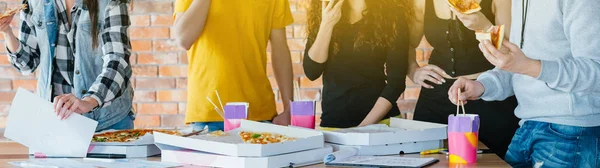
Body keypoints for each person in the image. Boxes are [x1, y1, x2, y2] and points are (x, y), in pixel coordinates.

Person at [448, 0, 600, 167]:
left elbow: (595, 70)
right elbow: (518, 65)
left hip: (571, 131)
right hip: (527, 126)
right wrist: (481, 86)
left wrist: (529, 66)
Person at [407, 0, 518, 158]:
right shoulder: (421, 2)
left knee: (493, 160)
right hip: (435, 96)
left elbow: (510, 51)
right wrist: (413, 70)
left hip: (488, 94)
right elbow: (408, 44)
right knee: (423, 157)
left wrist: (484, 24)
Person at [0, 0, 134, 131]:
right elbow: (27, 64)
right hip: (57, 121)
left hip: (107, 120)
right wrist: (7, 31)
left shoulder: (111, 3)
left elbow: (118, 63)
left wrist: (89, 101)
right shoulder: (34, 3)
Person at [173, 0, 295, 131]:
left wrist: (289, 108)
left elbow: (280, 49)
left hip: (258, 114)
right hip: (208, 114)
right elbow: (183, 39)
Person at [303, 0, 411, 129]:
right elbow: (312, 72)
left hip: (380, 125)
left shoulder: (392, 15)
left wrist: (362, 129)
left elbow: (396, 84)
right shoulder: (325, 11)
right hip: (333, 125)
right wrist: (327, 24)